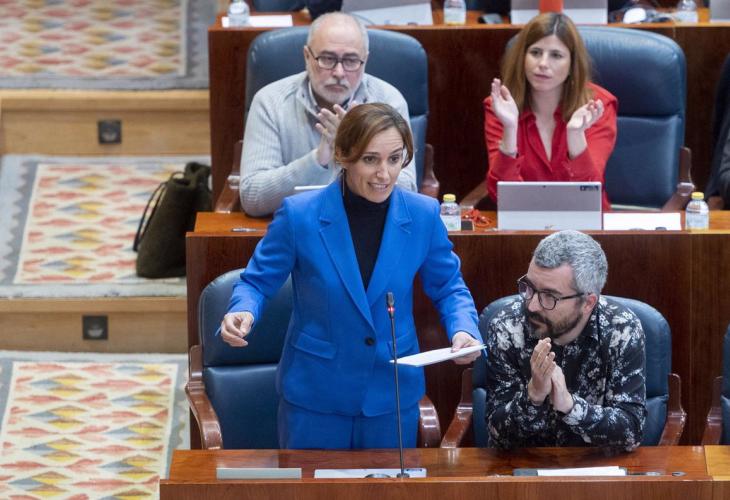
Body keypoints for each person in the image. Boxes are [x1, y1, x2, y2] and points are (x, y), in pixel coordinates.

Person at [221, 103, 482, 449]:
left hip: (390, 393)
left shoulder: (422, 214)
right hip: (316, 394)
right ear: (343, 156)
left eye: (395, 159)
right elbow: (256, 281)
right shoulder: (300, 215)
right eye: (370, 159)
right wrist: (243, 310)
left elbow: (448, 286)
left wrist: (463, 328)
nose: (384, 174)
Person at [239, 12, 417, 217]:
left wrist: (356, 149)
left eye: (351, 60)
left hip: (369, 224)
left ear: (365, 60)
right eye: (327, 58)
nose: (339, 72)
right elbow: (252, 197)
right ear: (307, 56)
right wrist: (318, 159)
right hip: (297, 227)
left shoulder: (389, 100)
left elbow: (408, 189)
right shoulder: (270, 101)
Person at [484, 230, 646, 451]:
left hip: (596, 466)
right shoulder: (507, 326)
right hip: (523, 464)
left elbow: (631, 431)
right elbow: (497, 435)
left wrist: (570, 407)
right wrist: (533, 396)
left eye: (549, 296)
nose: (532, 305)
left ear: (588, 303)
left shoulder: (622, 329)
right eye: (529, 287)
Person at [484, 13, 617, 211]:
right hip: (524, 221)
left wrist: (575, 135)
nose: (543, 63)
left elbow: (590, 193)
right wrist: (510, 129)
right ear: (522, 58)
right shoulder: (500, 106)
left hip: (585, 223)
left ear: (572, 64)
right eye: (535, 52)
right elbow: (500, 195)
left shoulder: (597, 106)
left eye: (556, 55)